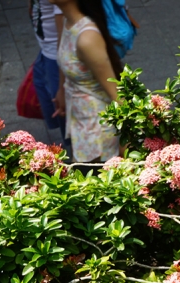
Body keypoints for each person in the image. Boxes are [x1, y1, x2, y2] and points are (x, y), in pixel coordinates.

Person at [50, 0, 122, 162]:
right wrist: (61, 90)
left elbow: (116, 93)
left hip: (97, 130)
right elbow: (64, 59)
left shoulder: (87, 38)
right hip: (80, 121)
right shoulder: (67, 23)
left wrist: (127, 141)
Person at [29, 0, 66, 140]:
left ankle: (77, 154)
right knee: (50, 102)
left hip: (56, 56)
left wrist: (62, 88)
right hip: (46, 51)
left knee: (62, 108)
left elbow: (64, 40)